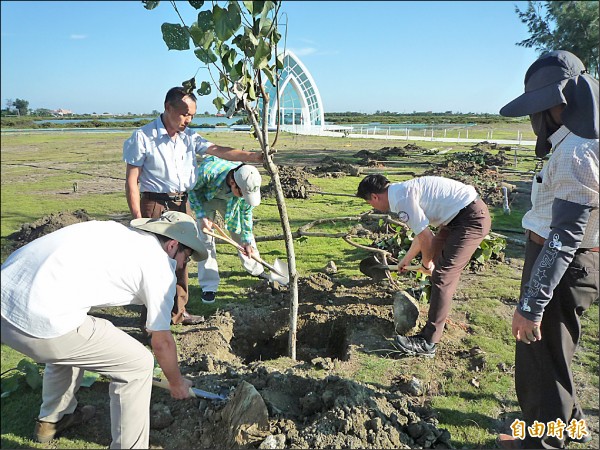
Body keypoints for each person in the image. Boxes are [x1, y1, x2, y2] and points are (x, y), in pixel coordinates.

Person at [1, 211, 208, 448]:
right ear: (172, 245)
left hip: (7, 295)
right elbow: (161, 343)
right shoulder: (159, 264)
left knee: (80, 337)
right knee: (138, 364)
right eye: (187, 256)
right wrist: (176, 382)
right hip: (36, 317)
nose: (183, 265)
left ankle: (54, 419)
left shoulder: (116, 232)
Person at [495, 50, 599, 450]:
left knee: (543, 361)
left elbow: (564, 237)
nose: (532, 118)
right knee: (554, 353)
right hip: (572, 264)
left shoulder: (576, 153)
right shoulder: (580, 140)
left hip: (562, 265)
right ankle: (569, 425)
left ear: (557, 105)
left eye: (536, 109)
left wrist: (530, 305)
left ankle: (542, 444)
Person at [123, 86, 263, 325]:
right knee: (154, 258)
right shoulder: (143, 137)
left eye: (192, 116)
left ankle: (179, 311)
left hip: (182, 202)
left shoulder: (189, 137)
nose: (188, 120)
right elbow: (131, 180)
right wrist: (138, 218)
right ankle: (152, 317)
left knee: (182, 258)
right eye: (184, 114)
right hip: (155, 203)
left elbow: (218, 150)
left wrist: (253, 156)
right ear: (168, 107)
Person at [356, 174, 491, 357]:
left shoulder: (402, 199)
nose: (373, 207)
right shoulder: (401, 193)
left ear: (374, 196)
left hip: (470, 220)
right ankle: (434, 325)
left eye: (370, 203)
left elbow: (427, 238)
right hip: (457, 218)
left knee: (442, 276)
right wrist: (408, 259)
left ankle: (428, 343)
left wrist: (426, 263)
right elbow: (422, 235)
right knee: (438, 270)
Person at [189, 154, 271, 304]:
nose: (244, 197)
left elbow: (246, 213)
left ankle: (257, 270)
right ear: (233, 182)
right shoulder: (208, 172)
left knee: (241, 235)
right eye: (242, 193)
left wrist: (246, 240)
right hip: (206, 199)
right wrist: (201, 216)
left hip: (230, 201)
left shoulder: (246, 181)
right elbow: (193, 191)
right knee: (205, 239)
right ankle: (209, 286)